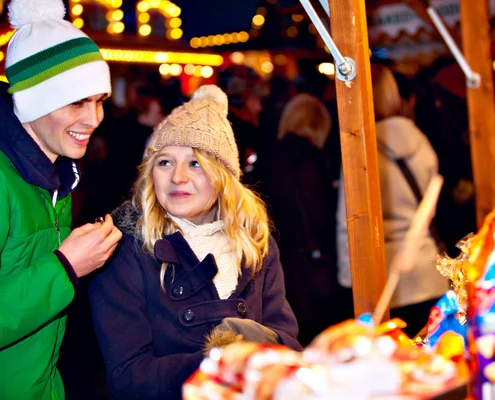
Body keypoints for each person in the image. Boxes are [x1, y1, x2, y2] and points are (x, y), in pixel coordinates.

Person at [89, 85, 301, 400]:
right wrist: (221, 362)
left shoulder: (255, 243)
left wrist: (269, 347)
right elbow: (128, 375)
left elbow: (289, 346)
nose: (178, 177)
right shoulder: (126, 249)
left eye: (195, 163)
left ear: (223, 176)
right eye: (164, 162)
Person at [0, 0, 122, 399]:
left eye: (99, 100)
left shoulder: (56, 177)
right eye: (77, 102)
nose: (94, 119)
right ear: (35, 101)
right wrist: (66, 266)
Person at [337, 65, 448, 337]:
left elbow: (346, 221)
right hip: (428, 270)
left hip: (384, 280)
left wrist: (347, 278)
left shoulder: (358, 150)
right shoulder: (420, 140)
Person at [265, 93, 352, 345]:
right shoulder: (310, 157)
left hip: (281, 259)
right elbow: (318, 214)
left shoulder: (272, 154)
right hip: (311, 264)